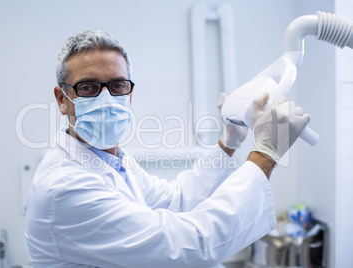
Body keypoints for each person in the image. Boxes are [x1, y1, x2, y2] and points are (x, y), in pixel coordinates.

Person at [25, 29, 310, 268]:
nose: (105, 98)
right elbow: (190, 247)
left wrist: (229, 143)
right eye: (87, 88)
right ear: (62, 99)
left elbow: (178, 200)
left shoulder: (111, 162)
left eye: (117, 85)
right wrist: (265, 154)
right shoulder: (65, 187)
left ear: (130, 94)